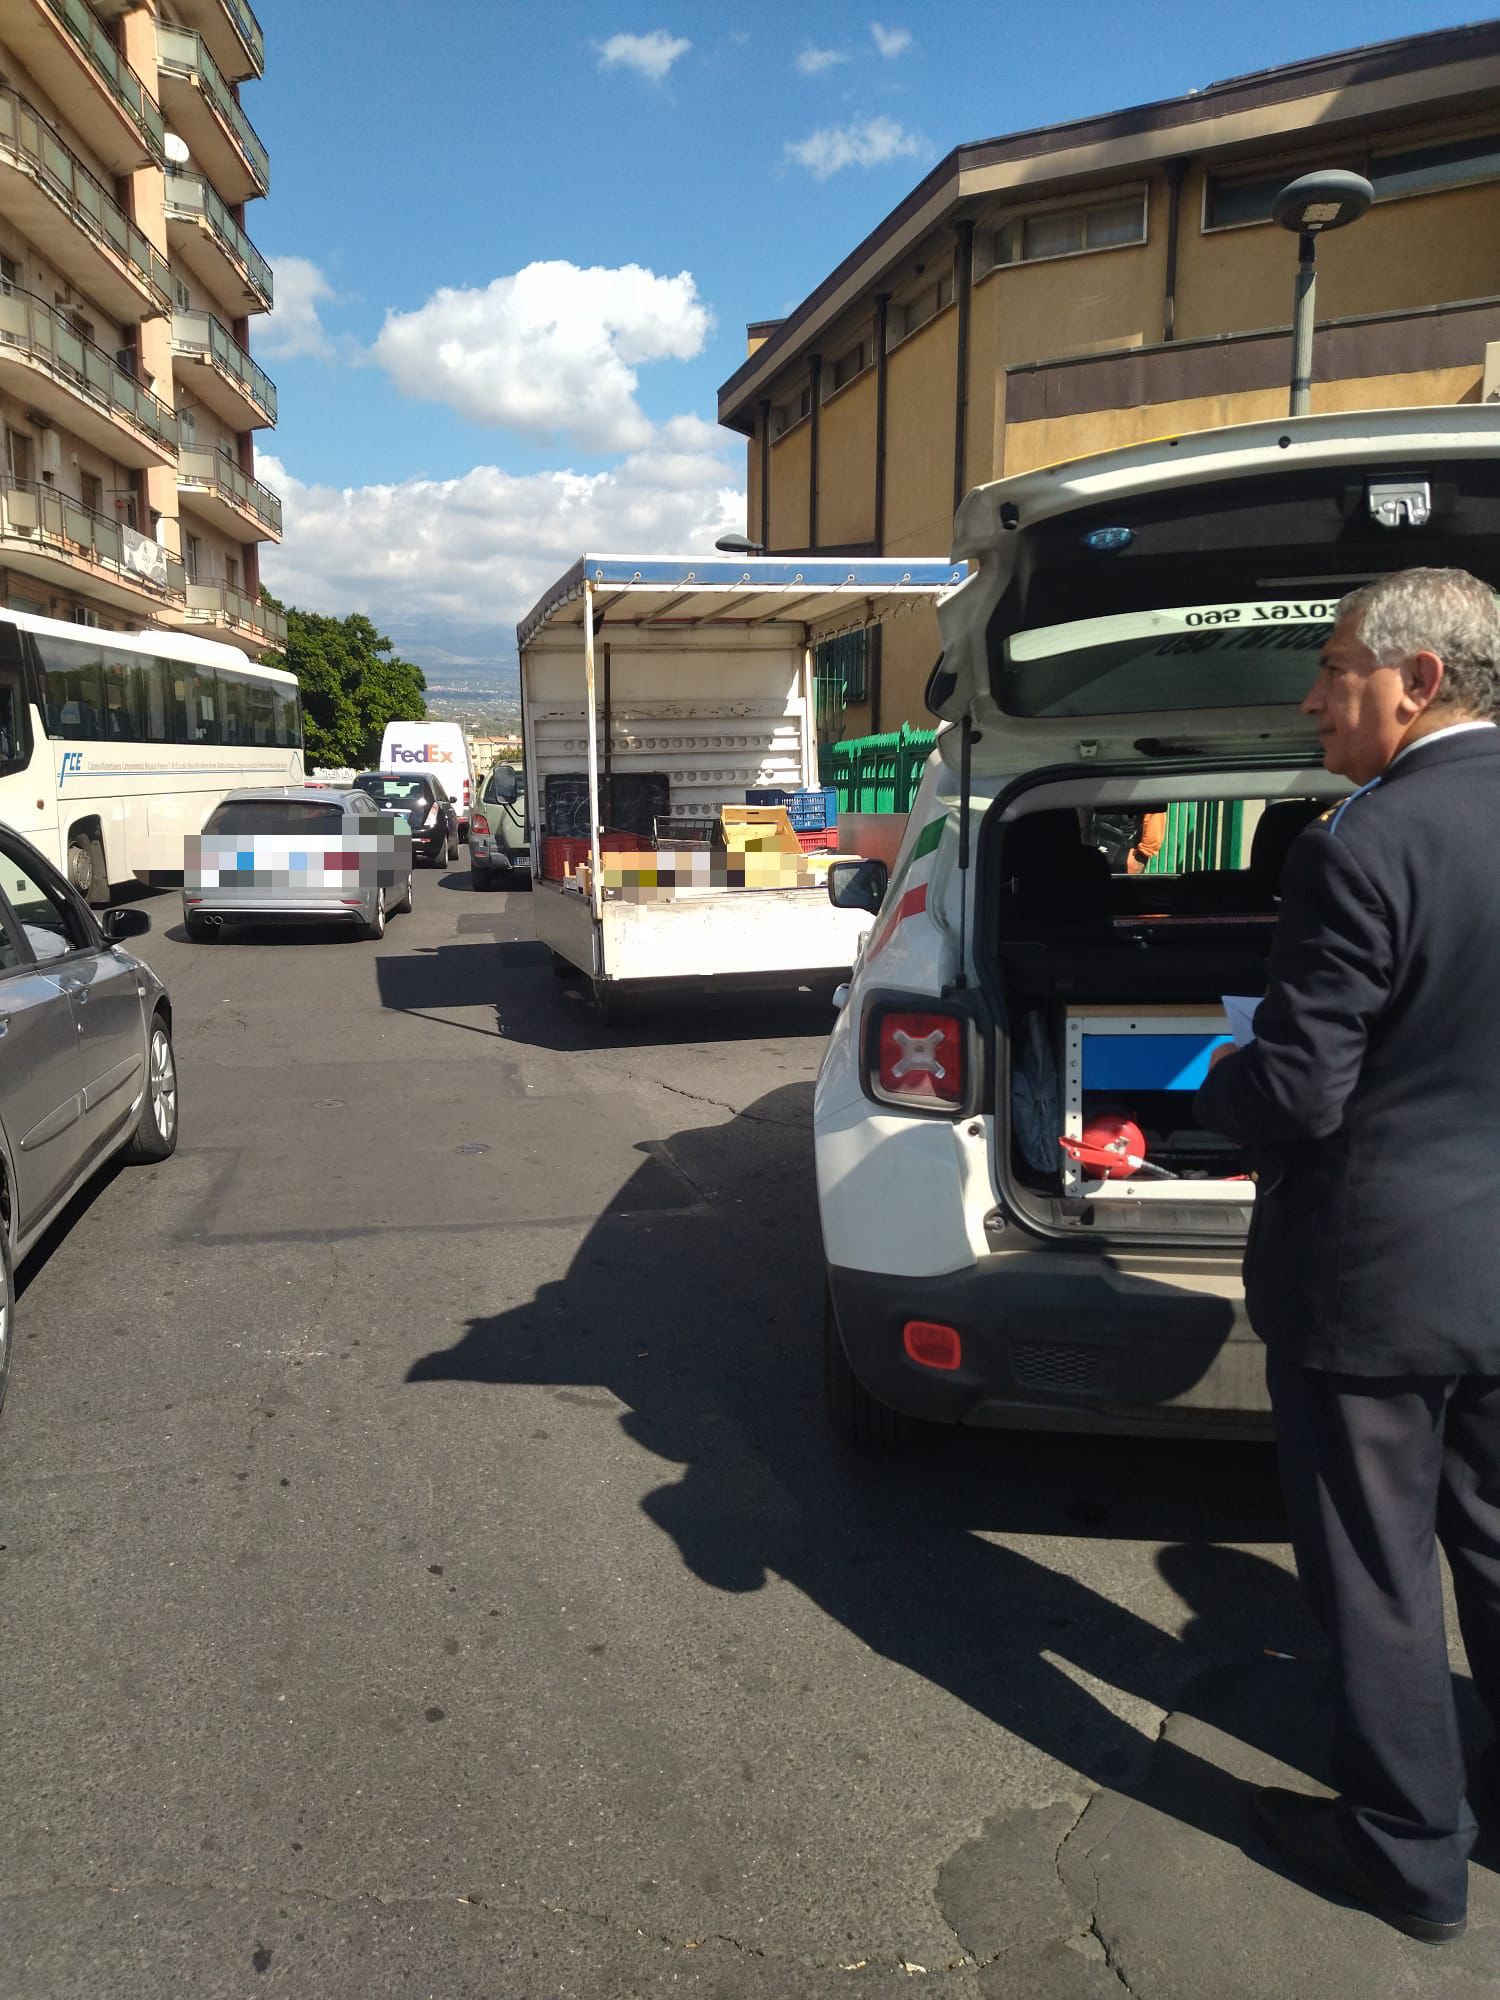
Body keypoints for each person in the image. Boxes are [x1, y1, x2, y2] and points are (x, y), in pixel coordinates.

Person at [1195, 567, 1500, 1943]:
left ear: (1417, 681)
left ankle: (1405, 1853)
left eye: (1333, 670)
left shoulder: (1361, 846)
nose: (1314, 697)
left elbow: (1304, 1091)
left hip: (1373, 1284)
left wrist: (1213, 1087)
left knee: (1378, 1574)